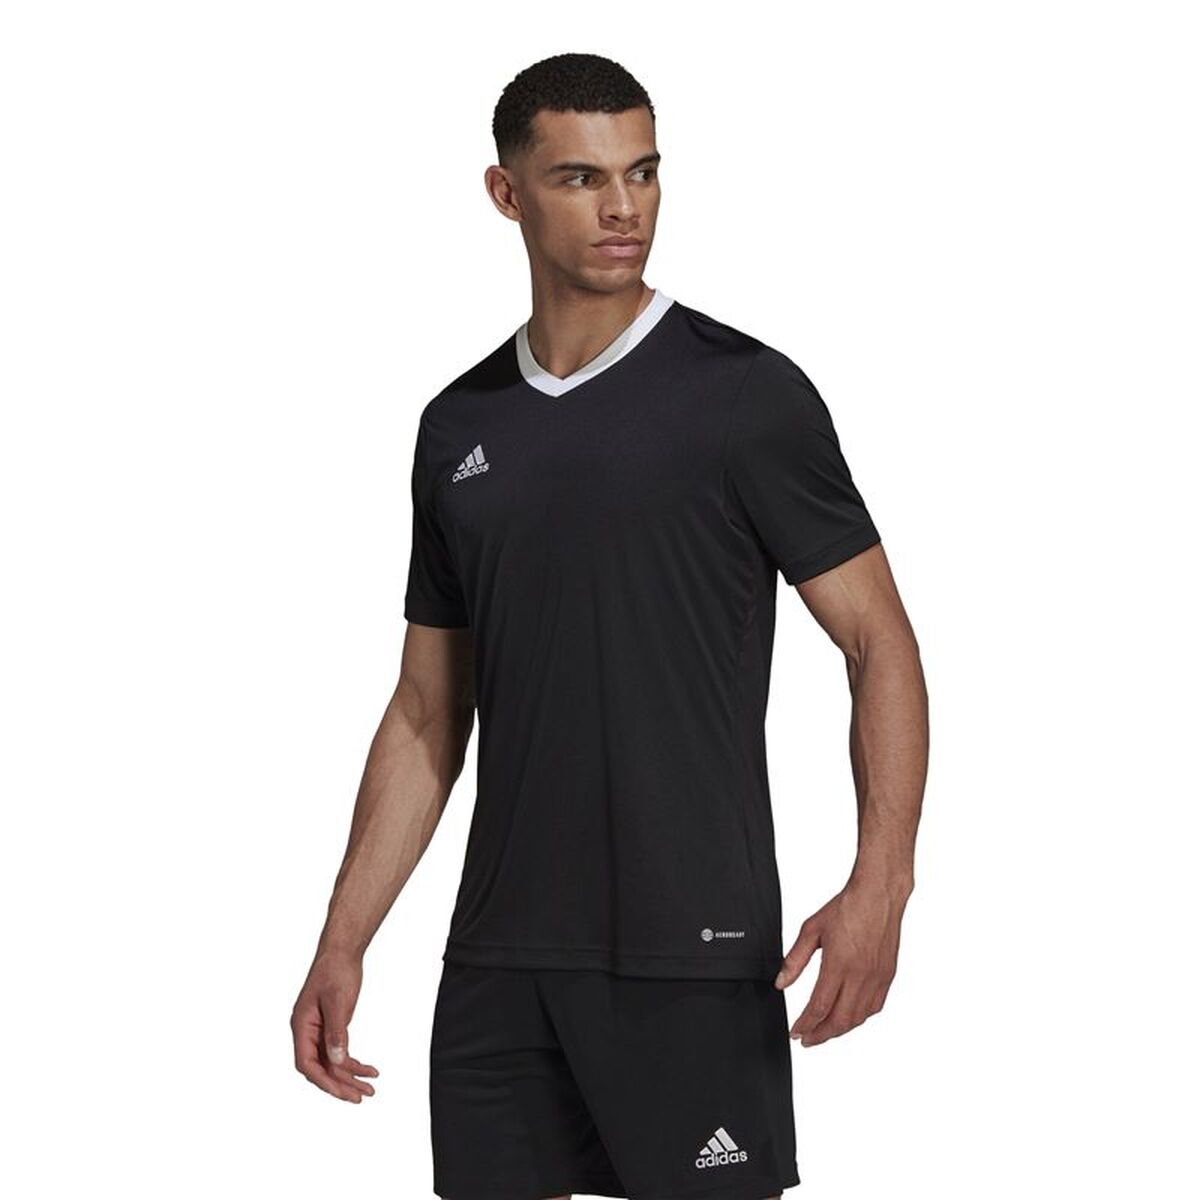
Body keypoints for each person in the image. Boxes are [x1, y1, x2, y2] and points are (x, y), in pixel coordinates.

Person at [291, 51, 928, 1200]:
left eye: (642, 172)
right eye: (581, 177)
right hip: (498, 961)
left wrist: (882, 882)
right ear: (507, 194)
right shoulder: (459, 427)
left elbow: (878, 641)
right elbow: (428, 711)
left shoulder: (745, 396)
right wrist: (344, 938)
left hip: (689, 955)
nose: (624, 206)